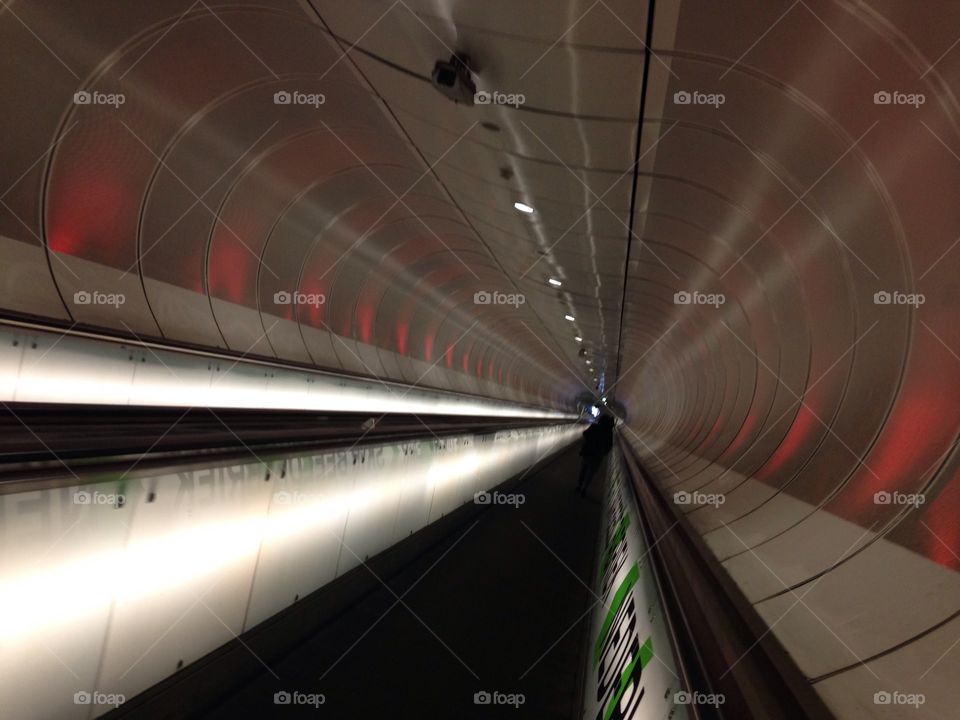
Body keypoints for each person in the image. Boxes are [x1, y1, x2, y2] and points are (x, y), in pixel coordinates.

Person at [576, 414, 615, 496]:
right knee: (591, 473)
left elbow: (585, 434)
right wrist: (605, 452)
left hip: (588, 452)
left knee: (583, 470)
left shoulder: (594, 427)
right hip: (598, 455)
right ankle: (584, 489)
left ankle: (579, 486)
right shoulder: (609, 432)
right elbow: (609, 445)